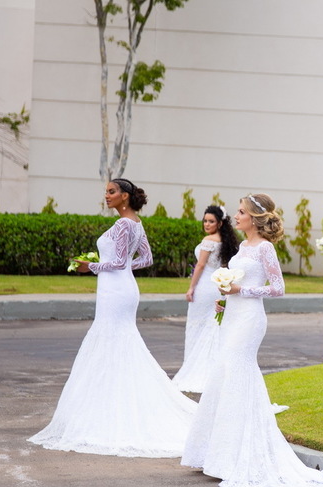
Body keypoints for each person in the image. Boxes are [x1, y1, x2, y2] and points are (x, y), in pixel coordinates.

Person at [181, 194, 323, 487]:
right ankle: (218, 455)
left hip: (250, 321)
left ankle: (238, 456)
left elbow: (278, 287)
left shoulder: (265, 248)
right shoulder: (241, 247)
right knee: (226, 376)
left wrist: (243, 290)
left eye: (240, 212)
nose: (235, 217)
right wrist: (226, 298)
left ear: (254, 218)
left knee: (238, 374)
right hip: (233, 315)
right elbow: (235, 285)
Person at [29, 179, 198, 456]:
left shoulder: (122, 225)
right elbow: (145, 259)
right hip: (122, 287)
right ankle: (113, 403)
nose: (106, 196)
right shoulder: (137, 223)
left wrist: (90, 266)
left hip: (116, 291)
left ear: (125, 197)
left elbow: (119, 262)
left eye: (111, 192)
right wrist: (116, 268)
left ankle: (111, 410)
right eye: (106, 192)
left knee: (112, 340)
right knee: (119, 343)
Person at [173, 205, 239, 394]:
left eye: (211, 221)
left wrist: (191, 287)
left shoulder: (209, 241)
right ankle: (215, 370)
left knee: (197, 325)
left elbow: (200, 266)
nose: (207, 224)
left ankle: (195, 367)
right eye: (205, 220)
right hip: (217, 288)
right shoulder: (227, 242)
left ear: (219, 223)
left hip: (204, 287)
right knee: (213, 327)